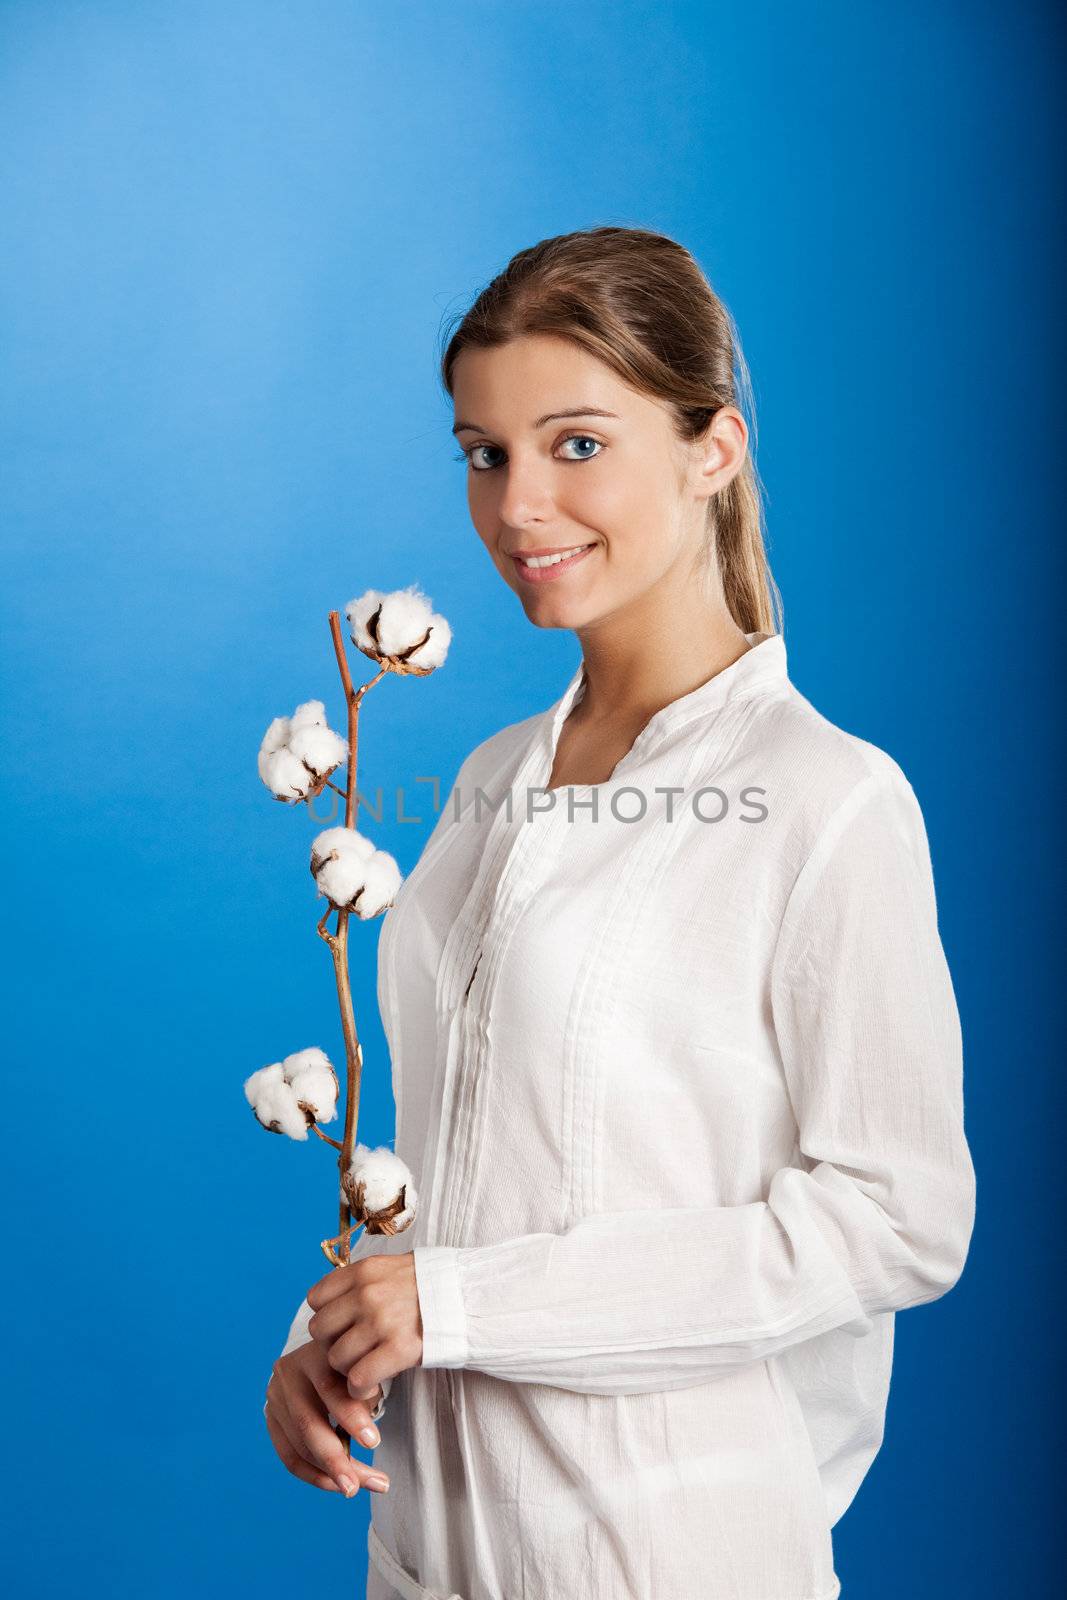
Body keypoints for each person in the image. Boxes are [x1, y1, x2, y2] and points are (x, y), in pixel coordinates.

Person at [263, 226, 977, 1600]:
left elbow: (898, 1218)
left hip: (669, 1557)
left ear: (712, 447)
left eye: (576, 442)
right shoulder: (483, 784)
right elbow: (475, 1157)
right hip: (427, 1558)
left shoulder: (824, 799)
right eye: (486, 453)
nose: (519, 505)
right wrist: (336, 1336)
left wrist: (461, 1308)